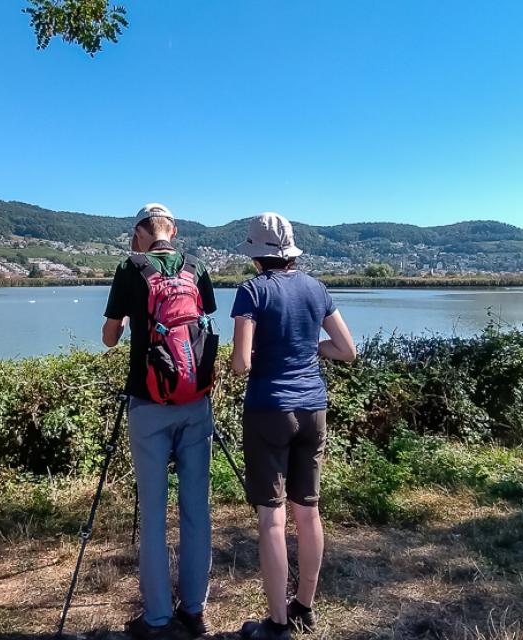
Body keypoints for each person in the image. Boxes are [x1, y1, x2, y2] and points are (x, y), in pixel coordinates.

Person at [230, 212, 356, 640]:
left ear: (255, 255)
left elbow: (241, 363)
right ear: (291, 252)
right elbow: (347, 349)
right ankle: (303, 607)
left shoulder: (252, 291)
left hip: (269, 410)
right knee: (308, 510)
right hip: (313, 409)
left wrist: (255, 356)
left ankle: (277, 624)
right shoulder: (316, 288)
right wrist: (309, 348)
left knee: (272, 517)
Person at [102, 203, 219, 640]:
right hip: (195, 401)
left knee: (153, 512)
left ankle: (156, 618)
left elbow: (110, 338)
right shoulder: (196, 266)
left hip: (148, 401)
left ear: (139, 234)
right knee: (196, 509)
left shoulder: (130, 268)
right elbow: (202, 323)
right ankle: (194, 610)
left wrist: (128, 323)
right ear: (174, 230)